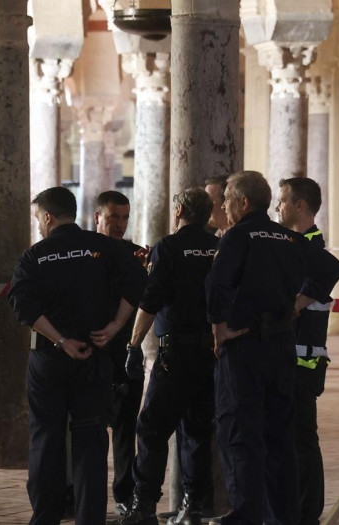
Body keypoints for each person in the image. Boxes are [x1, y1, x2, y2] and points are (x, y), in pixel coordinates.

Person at [204, 171, 339, 525]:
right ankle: (285, 517)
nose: (224, 208)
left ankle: (245, 514)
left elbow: (216, 284)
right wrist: (297, 303)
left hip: (245, 347)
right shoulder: (289, 239)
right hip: (282, 348)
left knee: (241, 433)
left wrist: (219, 329)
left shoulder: (237, 236)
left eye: (228, 201)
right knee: (281, 437)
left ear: (243, 202)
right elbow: (331, 269)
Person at [7, 187, 146, 525]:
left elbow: (22, 307)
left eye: (38, 218)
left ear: (48, 217)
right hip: (94, 357)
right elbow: (139, 284)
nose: (38, 225)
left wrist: (60, 341)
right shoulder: (105, 249)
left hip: (49, 362)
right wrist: (114, 327)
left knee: (46, 439)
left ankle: (45, 517)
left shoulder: (35, 256)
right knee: (91, 442)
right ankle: (89, 518)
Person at [118, 188, 220, 525]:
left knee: (151, 429)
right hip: (211, 352)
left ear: (178, 210)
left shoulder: (169, 247)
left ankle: (143, 507)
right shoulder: (219, 248)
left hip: (174, 355)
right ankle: (192, 508)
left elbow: (151, 300)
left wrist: (133, 346)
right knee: (197, 430)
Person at [276, 177, 339, 525]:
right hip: (288, 358)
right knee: (290, 439)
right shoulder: (292, 243)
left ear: (300, 205)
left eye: (282, 201)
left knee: (303, 440)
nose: (278, 208)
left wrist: (296, 303)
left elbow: (332, 271)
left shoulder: (310, 248)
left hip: (303, 360)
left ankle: (307, 513)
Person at [92, 190, 147, 515]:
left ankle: (124, 497)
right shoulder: (86, 252)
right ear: (98, 216)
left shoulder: (137, 255)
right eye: (113, 217)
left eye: (125, 217)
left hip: (126, 352)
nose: (120, 224)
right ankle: (87, 496)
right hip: (92, 351)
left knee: (127, 429)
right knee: (91, 430)